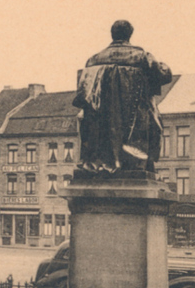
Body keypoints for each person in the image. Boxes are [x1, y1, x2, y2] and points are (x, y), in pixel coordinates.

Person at [73, 20, 173, 174]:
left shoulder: (93, 60)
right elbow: (164, 76)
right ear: (129, 35)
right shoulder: (142, 57)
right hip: (136, 122)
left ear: (112, 35)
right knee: (155, 122)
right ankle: (140, 164)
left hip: (102, 126)